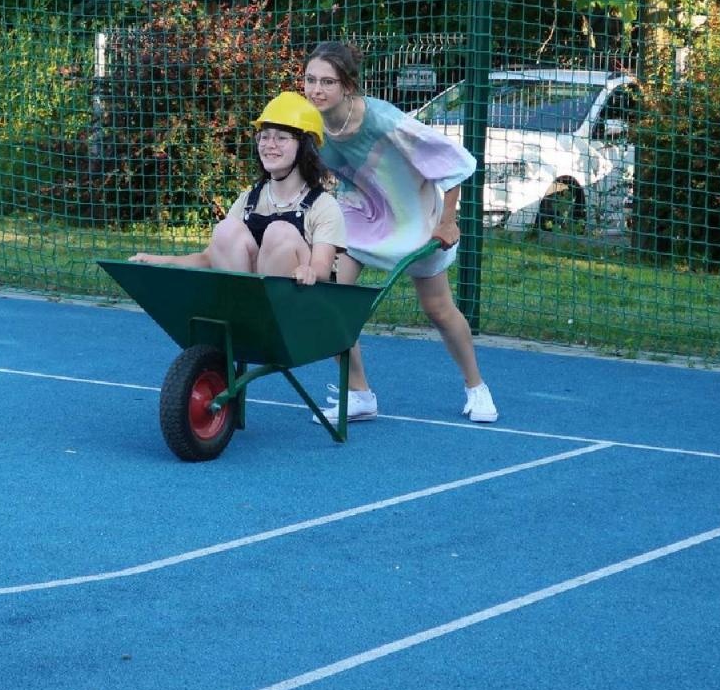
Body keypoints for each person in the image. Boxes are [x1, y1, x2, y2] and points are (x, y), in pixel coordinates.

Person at [301, 41, 497, 423]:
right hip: (356, 213)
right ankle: (359, 394)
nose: (316, 90)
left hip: (413, 217)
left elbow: (453, 161)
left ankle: (477, 387)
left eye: (327, 81)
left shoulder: (382, 120)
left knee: (438, 309)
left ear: (348, 86)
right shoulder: (309, 122)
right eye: (310, 80)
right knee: (330, 300)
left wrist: (447, 221)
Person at [129, 92, 346, 284]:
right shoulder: (249, 199)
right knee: (226, 229)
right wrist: (161, 261)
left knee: (279, 232)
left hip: (299, 303)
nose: (269, 145)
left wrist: (308, 271)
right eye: (264, 136)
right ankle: (243, 309)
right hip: (253, 301)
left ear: (306, 147)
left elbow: (322, 267)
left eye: (281, 138)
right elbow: (209, 258)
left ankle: (265, 313)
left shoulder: (324, 205)